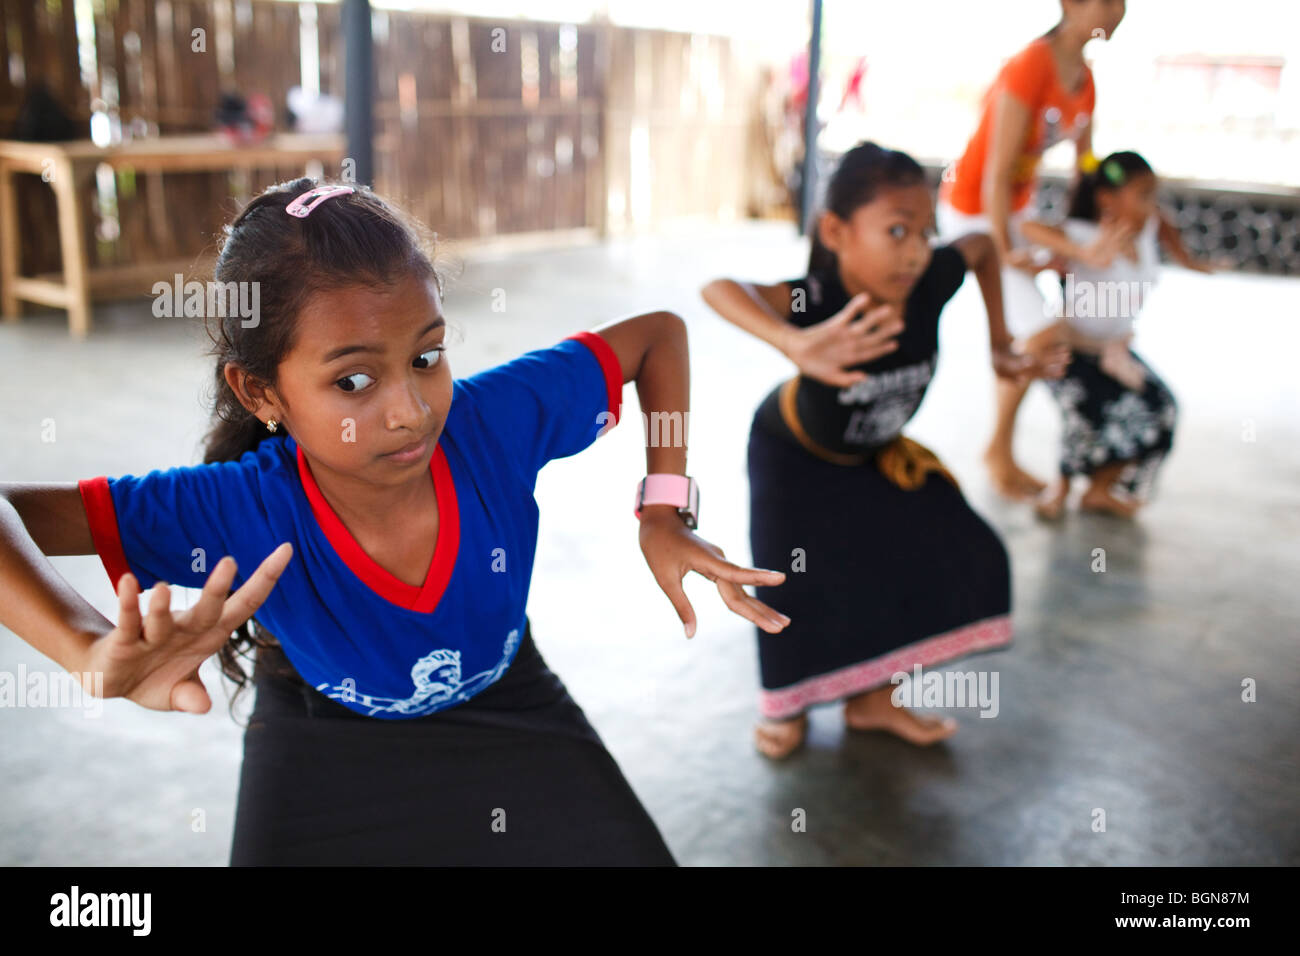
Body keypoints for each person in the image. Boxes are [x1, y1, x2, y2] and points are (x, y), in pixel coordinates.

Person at [0, 178, 793, 865]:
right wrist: (80, 649)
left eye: (426, 358)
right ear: (261, 395)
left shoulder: (491, 423)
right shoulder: (237, 506)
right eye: (352, 381)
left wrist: (663, 507)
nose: (411, 413)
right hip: (320, 737)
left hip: (508, 703)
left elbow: (658, 336)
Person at [701, 142, 1061, 760]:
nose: (917, 250)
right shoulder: (812, 296)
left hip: (875, 454)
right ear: (837, 232)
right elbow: (720, 289)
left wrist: (1000, 342)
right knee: (794, 589)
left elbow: (978, 248)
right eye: (897, 231)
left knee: (942, 553)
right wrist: (794, 342)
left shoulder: (928, 282)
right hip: (793, 459)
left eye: (925, 231)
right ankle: (786, 709)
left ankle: (872, 702)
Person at [937, 0, 1126, 499]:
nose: (1119, 10)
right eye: (1107, 0)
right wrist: (1006, 247)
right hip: (975, 211)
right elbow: (997, 172)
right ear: (1071, 5)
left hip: (1012, 215)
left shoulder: (1085, 81)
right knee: (1042, 332)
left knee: (1034, 335)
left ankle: (999, 449)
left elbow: (1087, 166)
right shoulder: (1030, 64)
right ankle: (997, 452)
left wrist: (1117, 189)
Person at [1021, 151, 1215, 519]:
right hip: (1070, 352)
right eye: (1142, 196)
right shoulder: (1083, 234)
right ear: (1106, 199)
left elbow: (1166, 226)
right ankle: (1059, 489)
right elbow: (1029, 229)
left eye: (1153, 196)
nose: (1151, 206)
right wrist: (1081, 253)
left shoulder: (1147, 230)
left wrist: (1190, 260)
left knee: (1162, 408)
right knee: (1090, 411)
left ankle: (1099, 490)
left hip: (1114, 351)